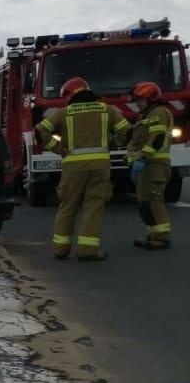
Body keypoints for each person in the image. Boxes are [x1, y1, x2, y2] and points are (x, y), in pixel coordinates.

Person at [35, 77, 130, 261]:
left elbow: (40, 131)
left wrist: (57, 148)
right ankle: (88, 250)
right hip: (100, 166)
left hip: (73, 166)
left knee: (67, 206)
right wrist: (113, 144)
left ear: (69, 95)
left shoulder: (64, 113)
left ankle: (61, 249)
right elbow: (126, 130)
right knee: (93, 206)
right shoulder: (106, 109)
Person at [126, 81, 174, 251]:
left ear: (150, 99)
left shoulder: (159, 112)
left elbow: (157, 137)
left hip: (155, 165)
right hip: (146, 166)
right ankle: (153, 233)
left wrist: (143, 158)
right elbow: (137, 139)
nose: (137, 104)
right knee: (145, 203)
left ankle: (162, 237)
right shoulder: (144, 116)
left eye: (140, 100)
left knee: (154, 201)